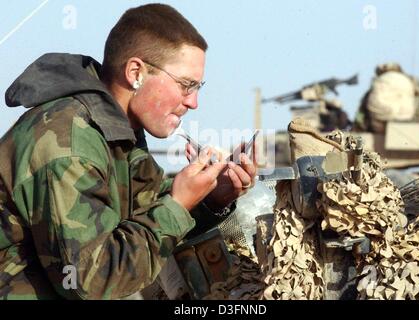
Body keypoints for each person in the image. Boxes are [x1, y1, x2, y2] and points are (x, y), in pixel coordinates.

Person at [0, 4, 256, 300]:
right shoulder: (68, 144)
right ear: (136, 72)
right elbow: (90, 282)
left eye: (199, 88)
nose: (193, 103)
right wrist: (177, 204)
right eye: (186, 86)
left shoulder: (116, 133)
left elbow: (142, 221)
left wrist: (211, 197)